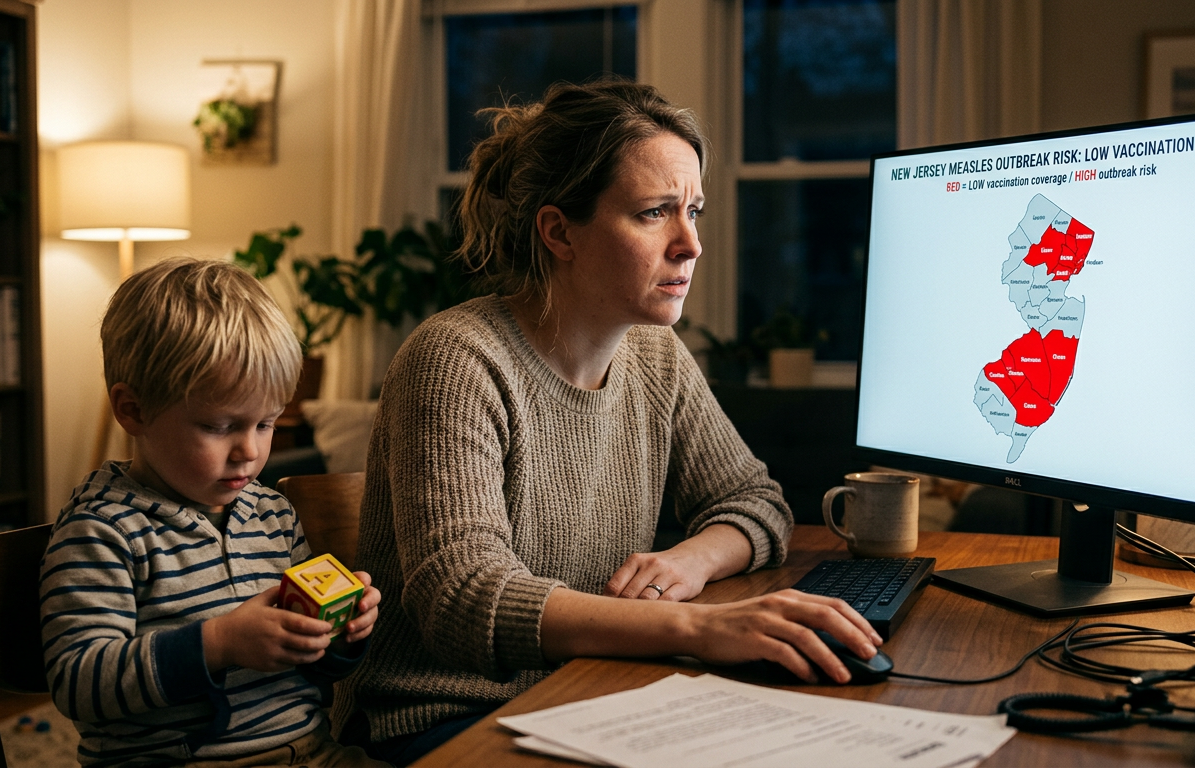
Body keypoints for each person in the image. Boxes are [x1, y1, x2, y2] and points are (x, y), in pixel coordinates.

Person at [333, 79, 884, 765]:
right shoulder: (455, 359)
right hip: (445, 719)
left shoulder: (656, 355)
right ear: (559, 231)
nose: (690, 244)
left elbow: (753, 501)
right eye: (655, 213)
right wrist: (700, 628)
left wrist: (688, 562)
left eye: (694, 211)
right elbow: (465, 598)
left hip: (598, 692)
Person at [39, 259, 389, 767]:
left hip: (311, 752)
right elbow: (78, 682)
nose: (250, 451)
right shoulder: (101, 532)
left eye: (266, 424)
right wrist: (217, 644)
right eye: (219, 426)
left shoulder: (273, 515)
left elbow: (312, 668)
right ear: (133, 410)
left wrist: (339, 635)